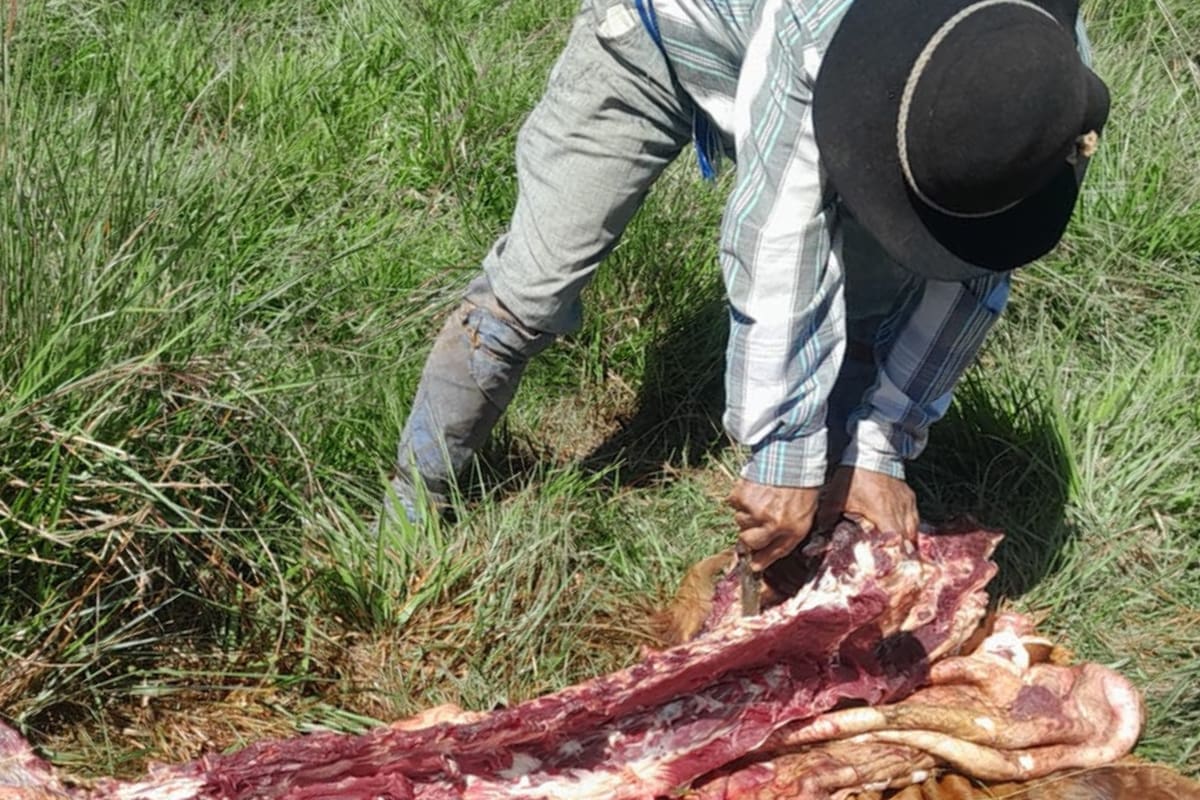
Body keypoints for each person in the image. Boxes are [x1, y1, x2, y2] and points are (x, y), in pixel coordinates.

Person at [384, 0, 1109, 571]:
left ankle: (829, 528)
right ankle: (413, 508)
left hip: (878, 100)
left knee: (871, 314)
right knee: (532, 290)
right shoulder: (822, 25)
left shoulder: (1043, 89)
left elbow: (979, 266)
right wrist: (782, 453)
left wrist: (882, 443)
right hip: (657, 38)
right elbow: (778, 233)